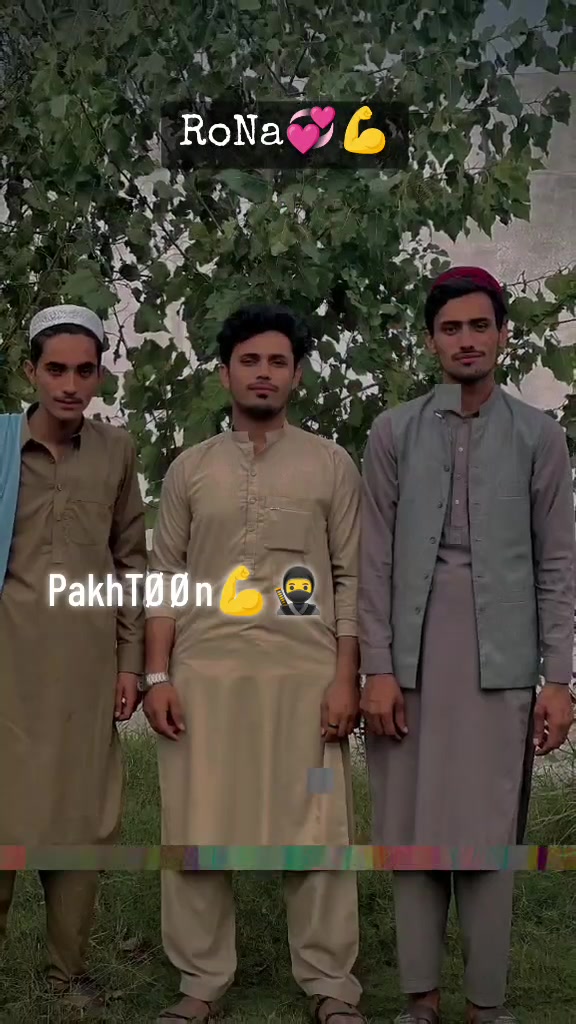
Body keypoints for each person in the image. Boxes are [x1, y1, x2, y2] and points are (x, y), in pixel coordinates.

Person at [358, 267, 575, 1024]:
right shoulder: (393, 432)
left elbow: (557, 564)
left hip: (501, 668)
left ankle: (488, 1003)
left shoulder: (538, 437)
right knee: (412, 829)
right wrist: (377, 669)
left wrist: (559, 679)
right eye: (451, 328)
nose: (467, 340)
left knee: (487, 837)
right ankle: (419, 999)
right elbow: (373, 561)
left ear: (503, 335)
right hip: (409, 671)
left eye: (480, 325)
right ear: (431, 341)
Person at [144, 304, 365, 1024]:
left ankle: (330, 984)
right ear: (225, 373)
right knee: (197, 828)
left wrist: (345, 679)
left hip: (306, 687)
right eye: (250, 361)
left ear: (296, 375)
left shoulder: (331, 464)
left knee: (317, 825)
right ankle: (200, 983)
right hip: (204, 685)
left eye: (277, 362)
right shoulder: (191, 468)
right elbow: (165, 579)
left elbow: (350, 578)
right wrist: (157, 676)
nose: (263, 373)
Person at [0, 306, 147, 1012]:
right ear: (30, 372)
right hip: (7, 664)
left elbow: (131, 562)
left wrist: (130, 664)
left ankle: (68, 974)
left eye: (84, 371)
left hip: (86, 669)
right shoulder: (2, 447)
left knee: (83, 817)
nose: (69, 384)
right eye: (55, 369)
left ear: (99, 377)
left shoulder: (117, 451)